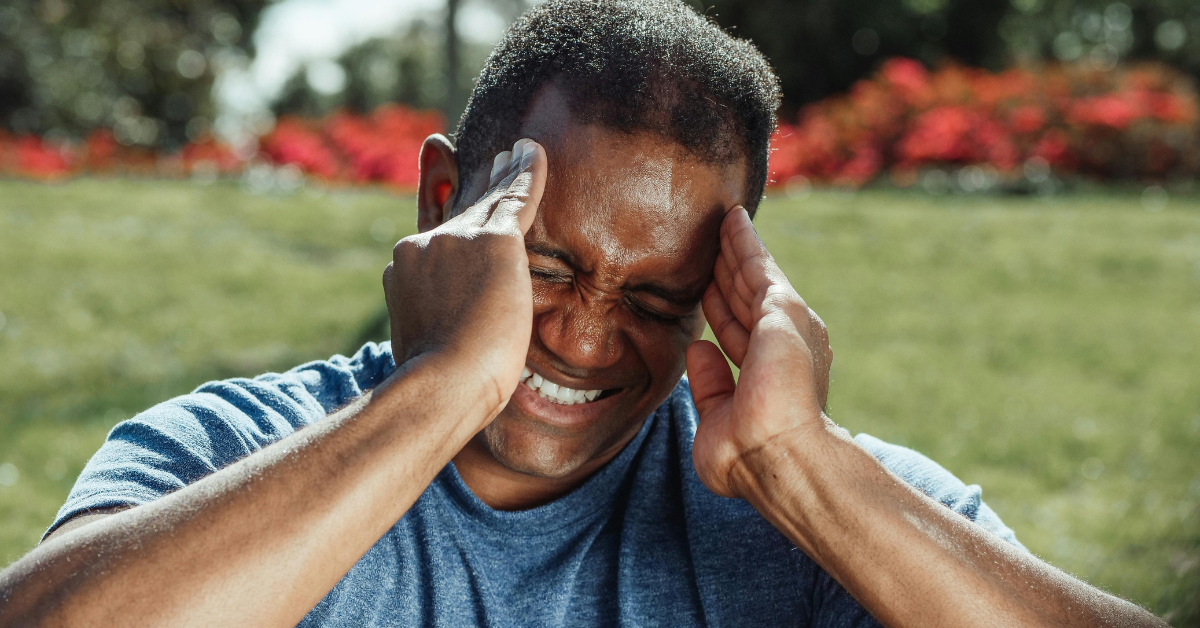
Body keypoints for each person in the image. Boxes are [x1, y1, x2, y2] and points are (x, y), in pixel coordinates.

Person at [0, 1, 1165, 626]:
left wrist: (809, 469)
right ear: (445, 201)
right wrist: (444, 389)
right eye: (547, 267)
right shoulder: (228, 453)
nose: (583, 337)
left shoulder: (817, 515)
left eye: (656, 298)